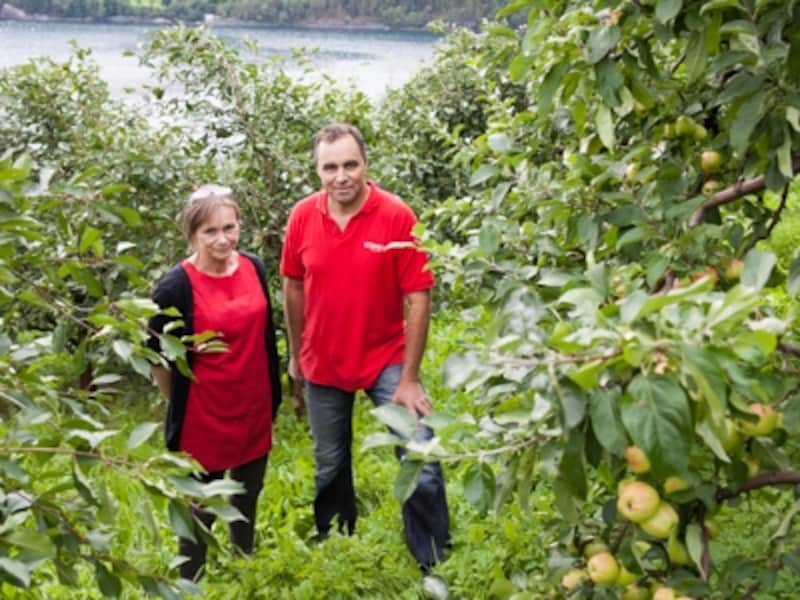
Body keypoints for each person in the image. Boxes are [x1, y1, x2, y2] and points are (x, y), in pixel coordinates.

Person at [280, 123, 450, 572]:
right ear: (317, 171)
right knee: (329, 465)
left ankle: (434, 561)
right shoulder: (302, 216)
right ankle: (338, 547)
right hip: (323, 359)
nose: (341, 176)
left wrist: (409, 379)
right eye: (330, 167)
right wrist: (296, 354)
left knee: (420, 453)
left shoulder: (396, 215)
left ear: (366, 165)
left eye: (350, 165)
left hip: (385, 358)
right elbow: (293, 285)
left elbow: (419, 297)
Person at [147, 184, 282, 580]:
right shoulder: (175, 287)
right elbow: (157, 356)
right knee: (200, 507)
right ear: (192, 235)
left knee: (247, 492)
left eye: (229, 228)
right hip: (204, 414)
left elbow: (264, 334)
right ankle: (191, 579)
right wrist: (178, 401)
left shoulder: (254, 267)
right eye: (210, 231)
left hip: (254, 403)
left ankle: (244, 561)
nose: (223, 239)